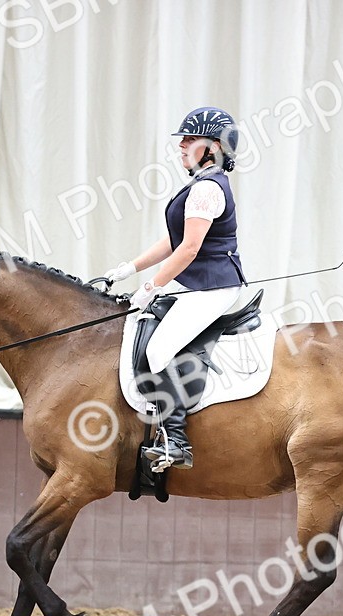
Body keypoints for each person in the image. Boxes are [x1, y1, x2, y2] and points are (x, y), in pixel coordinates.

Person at [105, 106, 247, 471]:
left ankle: (177, 443)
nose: (181, 146)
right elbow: (173, 241)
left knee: (159, 350)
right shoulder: (200, 186)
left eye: (189, 139)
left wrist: (151, 286)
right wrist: (128, 269)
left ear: (214, 146)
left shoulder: (207, 191)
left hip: (211, 287)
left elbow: (189, 249)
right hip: (198, 283)